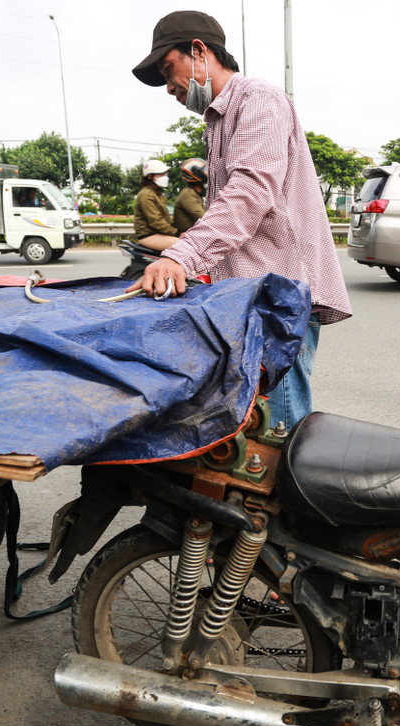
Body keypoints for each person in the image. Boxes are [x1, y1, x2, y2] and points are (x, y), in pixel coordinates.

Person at [131, 10, 351, 430]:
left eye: (168, 68)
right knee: (249, 424)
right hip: (250, 292)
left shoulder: (258, 100)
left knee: (276, 429)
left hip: (278, 294)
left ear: (199, 51)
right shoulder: (217, 121)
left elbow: (250, 192)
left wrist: (182, 256)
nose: (169, 86)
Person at [133, 159, 180, 252]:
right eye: (161, 174)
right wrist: (177, 233)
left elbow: (165, 220)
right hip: (149, 235)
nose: (165, 177)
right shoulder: (146, 195)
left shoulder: (158, 194)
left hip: (157, 234)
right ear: (150, 177)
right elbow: (156, 221)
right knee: (185, 246)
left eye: (165, 174)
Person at [173, 157, 207, 233]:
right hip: (185, 236)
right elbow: (202, 217)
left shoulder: (196, 194)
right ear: (197, 174)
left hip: (192, 235)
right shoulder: (188, 194)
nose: (207, 174)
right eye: (204, 171)